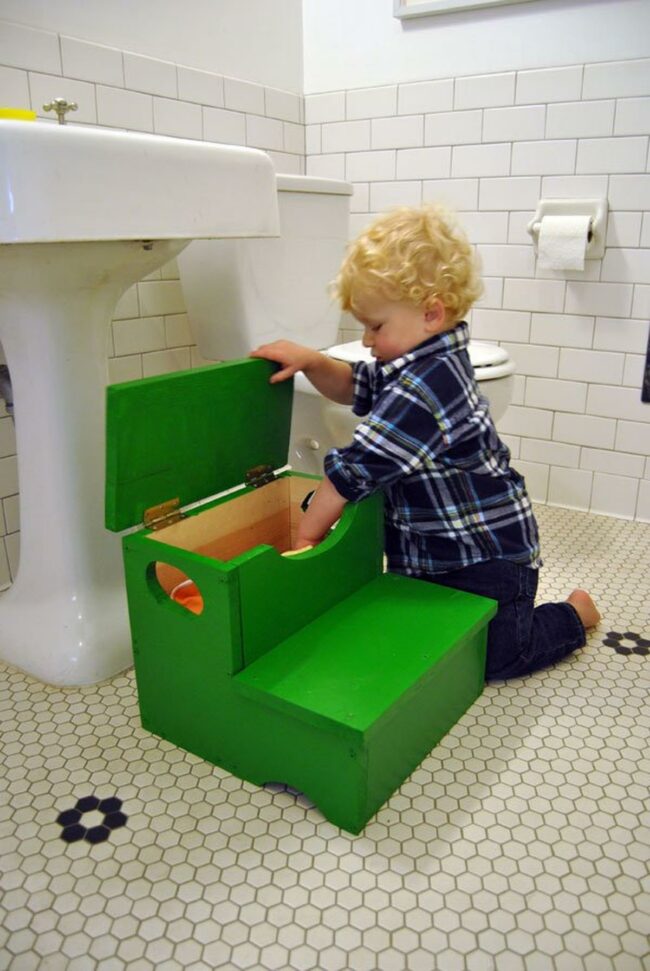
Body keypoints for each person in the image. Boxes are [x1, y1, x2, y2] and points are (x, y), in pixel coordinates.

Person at [251, 205, 600, 680]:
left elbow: (351, 474)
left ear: (431, 313)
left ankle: (575, 614)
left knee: (497, 661)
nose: (367, 340)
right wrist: (314, 361)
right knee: (419, 639)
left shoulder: (427, 387)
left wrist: (308, 538)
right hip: (426, 547)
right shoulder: (413, 364)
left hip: (486, 558)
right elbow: (357, 385)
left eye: (376, 326)